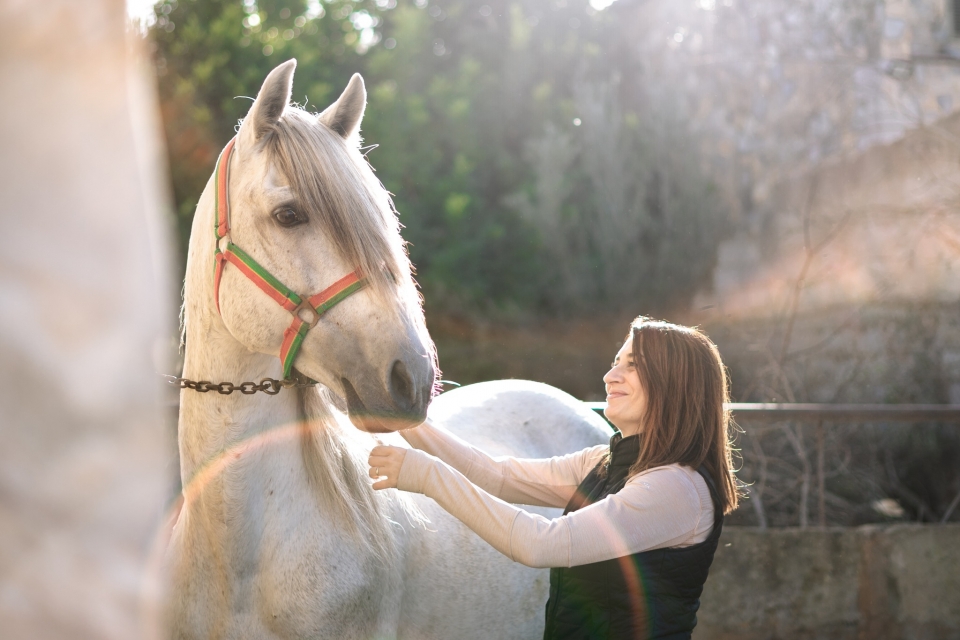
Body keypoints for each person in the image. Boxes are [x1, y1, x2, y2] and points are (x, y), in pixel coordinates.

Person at [368, 316, 740, 639]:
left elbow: (541, 543)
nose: (611, 376)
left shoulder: (675, 488)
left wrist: (430, 476)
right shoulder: (607, 462)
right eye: (615, 363)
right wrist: (409, 423)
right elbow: (497, 475)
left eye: (633, 365)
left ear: (674, 382)